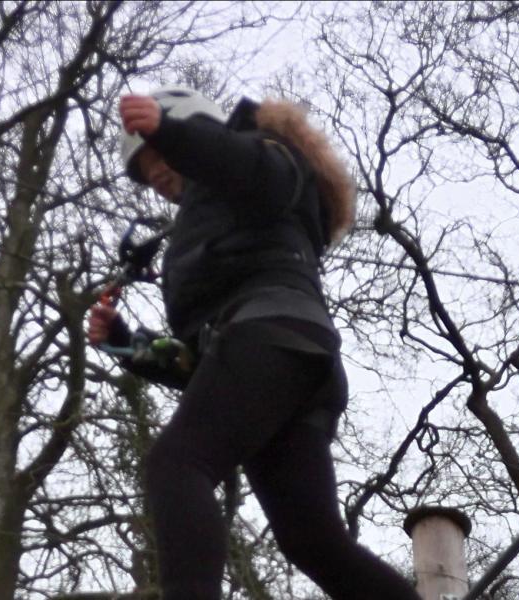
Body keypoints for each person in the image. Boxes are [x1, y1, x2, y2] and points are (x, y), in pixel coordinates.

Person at [88, 87, 420, 600]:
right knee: (312, 541)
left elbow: (242, 165)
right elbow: (206, 364)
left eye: (159, 157)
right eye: (147, 170)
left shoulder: (266, 159)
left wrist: (170, 133)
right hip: (284, 359)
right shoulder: (213, 223)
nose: (156, 174)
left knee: (178, 463)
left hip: (271, 337)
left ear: (201, 132)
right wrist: (126, 344)